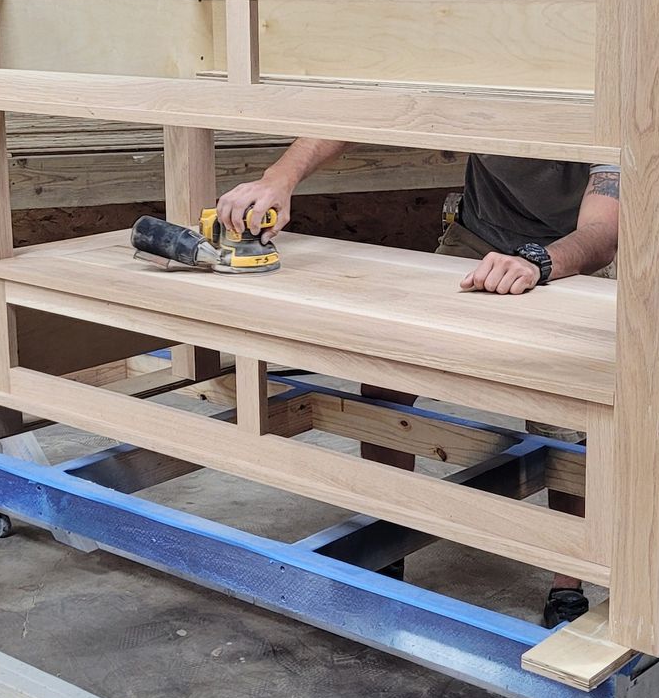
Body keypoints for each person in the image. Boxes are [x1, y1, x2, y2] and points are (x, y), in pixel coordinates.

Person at [216, 138, 619, 628]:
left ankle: (568, 581)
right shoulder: (487, 73)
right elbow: (359, 106)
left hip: (569, 252)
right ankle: (387, 533)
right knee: (387, 374)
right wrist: (281, 176)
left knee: (566, 416)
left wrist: (537, 262)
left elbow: (603, 231)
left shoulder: (605, 93)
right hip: (477, 238)